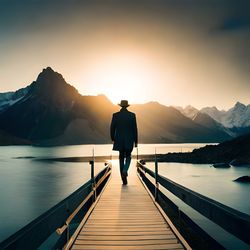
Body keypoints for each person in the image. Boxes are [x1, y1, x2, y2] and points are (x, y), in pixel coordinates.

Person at [110, 100, 138, 185]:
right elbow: (135, 129)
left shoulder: (115, 115)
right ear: (127, 106)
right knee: (128, 156)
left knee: (121, 157)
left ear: (120, 106)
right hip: (129, 139)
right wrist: (136, 141)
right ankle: (125, 170)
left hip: (119, 140)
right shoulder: (132, 115)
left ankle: (123, 179)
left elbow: (112, 128)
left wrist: (113, 138)